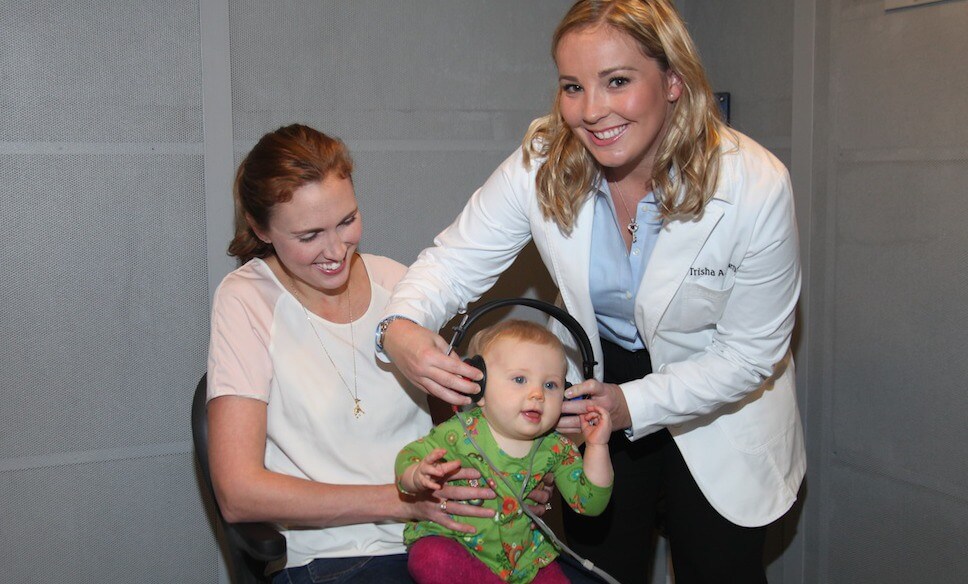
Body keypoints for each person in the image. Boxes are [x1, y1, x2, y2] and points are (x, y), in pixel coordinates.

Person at [376, 1, 806, 582]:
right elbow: (452, 263)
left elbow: (750, 353)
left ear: (674, 80)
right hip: (595, 389)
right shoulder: (541, 164)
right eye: (573, 86)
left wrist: (634, 403)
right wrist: (398, 326)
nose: (592, 111)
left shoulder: (755, 186)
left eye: (618, 82)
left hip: (721, 402)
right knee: (599, 570)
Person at [206, 124, 511, 583]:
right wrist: (399, 499)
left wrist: (514, 470)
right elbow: (239, 493)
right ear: (259, 227)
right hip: (332, 557)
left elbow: (460, 429)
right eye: (309, 235)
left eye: (347, 221)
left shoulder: (397, 283)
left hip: (435, 538)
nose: (336, 251)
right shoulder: (246, 299)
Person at [395, 320, 614, 584]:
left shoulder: (556, 448)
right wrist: (415, 474)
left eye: (551, 385)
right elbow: (409, 457)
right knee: (430, 558)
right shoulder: (458, 433)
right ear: (480, 387)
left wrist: (597, 446)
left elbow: (589, 504)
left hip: (526, 560)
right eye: (520, 379)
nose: (537, 394)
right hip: (459, 547)